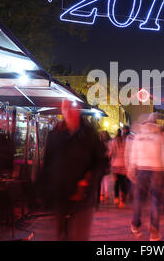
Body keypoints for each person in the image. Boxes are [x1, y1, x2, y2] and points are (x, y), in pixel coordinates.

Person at [39, 99, 107, 240]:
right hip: (59, 197)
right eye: (66, 107)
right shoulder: (54, 135)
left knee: (79, 236)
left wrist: (88, 181)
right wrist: (42, 193)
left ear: (79, 109)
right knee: (60, 236)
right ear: (62, 111)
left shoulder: (90, 135)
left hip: (82, 198)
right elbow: (47, 165)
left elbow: (101, 163)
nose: (69, 110)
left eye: (73, 106)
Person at [127, 113, 164, 241]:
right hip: (156, 169)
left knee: (139, 198)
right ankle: (154, 231)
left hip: (141, 169)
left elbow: (133, 154)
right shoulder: (160, 136)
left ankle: (136, 224)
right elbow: (163, 155)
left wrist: (132, 169)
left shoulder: (138, 137)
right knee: (155, 200)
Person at [109, 129, 128, 208]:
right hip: (123, 164)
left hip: (115, 164)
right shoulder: (125, 142)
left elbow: (111, 153)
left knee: (116, 182)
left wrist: (108, 156)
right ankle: (122, 201)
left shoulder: (113, 141)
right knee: (123, 183)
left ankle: (116, 198)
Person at [97, 131, 111, 209]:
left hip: (102, 163)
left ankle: (103, 195)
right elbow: (110, 153)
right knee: (105, 179)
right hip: (105, 163)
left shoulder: (99, 144)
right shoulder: (109, 143)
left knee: (103, 180)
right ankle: (105, 195)